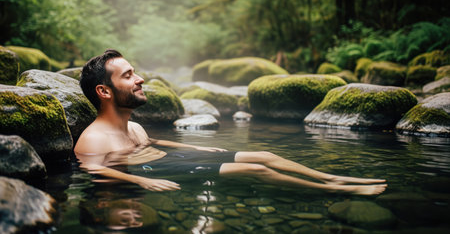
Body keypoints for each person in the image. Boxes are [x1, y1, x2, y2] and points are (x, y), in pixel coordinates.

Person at [74, 49, 387, 195]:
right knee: (255, 169)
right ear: (104, 91)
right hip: (152, 170)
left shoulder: (135, 128)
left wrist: (197, 148)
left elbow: (152, 144)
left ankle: (332, 177)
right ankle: (338, 191)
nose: (141, 78)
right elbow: (93, 168)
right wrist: (142, 181)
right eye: (128, 76)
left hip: (169, 158)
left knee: (265, 156)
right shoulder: (93, 138)